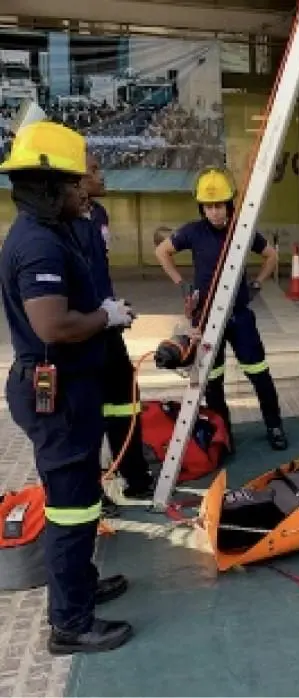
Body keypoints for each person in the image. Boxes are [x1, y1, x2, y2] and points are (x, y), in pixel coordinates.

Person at [0, 120, 135, 654]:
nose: (86, 189)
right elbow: (52, 325)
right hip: (55, 393)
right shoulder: (38, 245)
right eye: (78, 181)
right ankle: (70, 623)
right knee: (71, 508)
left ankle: (79, 586)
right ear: (51, 186)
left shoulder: (55, 229)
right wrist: (105, 317)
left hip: (71, 387)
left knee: (79, 499)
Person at [155, 166, 288, 452]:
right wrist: (181, 283)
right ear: (202, 207)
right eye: (209, 206)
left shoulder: (242, 230)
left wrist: (257, 283)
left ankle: (274, 426)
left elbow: (271, 255)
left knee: (259, 374)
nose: (215, 212)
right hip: (205, 317)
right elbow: (162, 251)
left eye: (219, 205)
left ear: (229, 204)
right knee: (213, 381)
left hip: (239, 316)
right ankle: (223, 435)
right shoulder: (192, 231)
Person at [75, 153, 155, 502]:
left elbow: (98, 270)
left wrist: (114, 309)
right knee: (86, 412)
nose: (101, 175)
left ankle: (134, 475)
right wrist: (101, 314)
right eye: (93, 170)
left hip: (108, 327)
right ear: (75, 179)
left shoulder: (98, 215)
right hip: (83, 332)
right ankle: (89, 491)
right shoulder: (62, 225)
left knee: (125, 401)